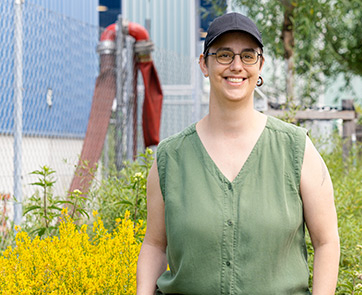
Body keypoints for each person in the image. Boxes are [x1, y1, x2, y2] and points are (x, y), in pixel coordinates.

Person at [136, 12, 340, 295]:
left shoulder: (296, 149)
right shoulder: (171, 158)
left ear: (260, 65)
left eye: (247, 56)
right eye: (223, 55)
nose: (236, 66)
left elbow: (327, 242)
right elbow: (155, 245)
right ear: (203, 64)